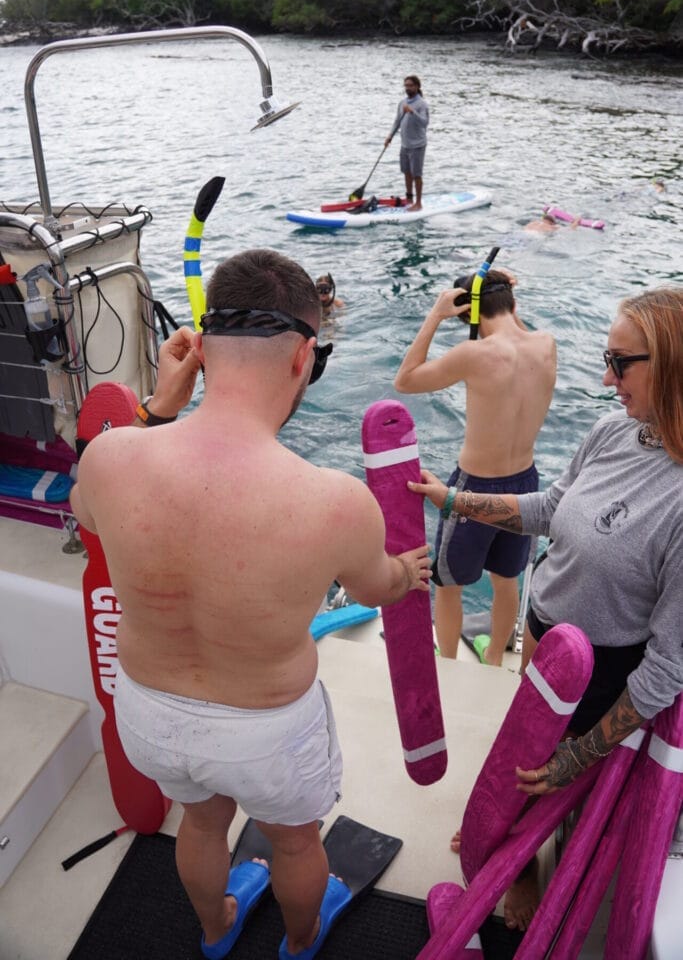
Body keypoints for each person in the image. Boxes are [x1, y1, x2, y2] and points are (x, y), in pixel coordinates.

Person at [70, 249, 431, 960]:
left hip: (149, 710)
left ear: (198, 352)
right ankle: (299, 944)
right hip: (265, 730)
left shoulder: (110, 461)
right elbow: (375, 590)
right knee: (295, 843)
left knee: (202, 826)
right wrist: (405, 570)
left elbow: (86, 513)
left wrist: (156, 408)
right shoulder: (332, 501)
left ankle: (214, 931)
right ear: (303, 358)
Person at [408, 285, 683, 930]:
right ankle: (511, 847)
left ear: (670, 366)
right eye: (607, 358)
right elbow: (551, 508)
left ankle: (529, 854)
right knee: (523, 754)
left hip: (604, 669)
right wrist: (455, 501)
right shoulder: (615, 430)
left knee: (550, 775)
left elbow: (668, 665)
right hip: (543, 633)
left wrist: (579, 756)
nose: (606, 376)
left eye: (621, 363)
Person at [394, 268, 556, 667]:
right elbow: (512, 324)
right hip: (526, 486)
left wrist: (435, 314)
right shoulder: (547, 344)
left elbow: (405, 380)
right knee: (506, 582)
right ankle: (493, 665)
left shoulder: (474, 354)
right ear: (512, 302)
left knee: (448, 584)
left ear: (469, 312)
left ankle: (447, 664)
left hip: (473, 488)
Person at [384, 75, 429, 212]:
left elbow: (424, 123)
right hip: (405, 144)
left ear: (417, 87)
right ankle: (409, 199)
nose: (407, 88)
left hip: (417, 145)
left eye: (410, 85)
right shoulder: (402, 103)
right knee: (406, 172)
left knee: (417, 174)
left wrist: (413, 112)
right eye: (406, 85)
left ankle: (418, 203)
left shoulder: (422, 104)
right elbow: (397, 121)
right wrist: (390, 136)